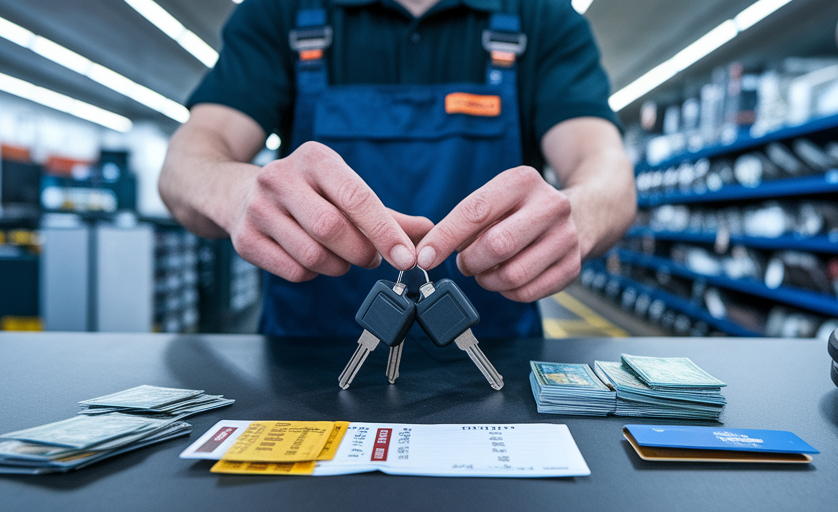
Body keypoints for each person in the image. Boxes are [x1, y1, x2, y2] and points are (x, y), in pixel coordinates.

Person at [159, 0, 634, 338]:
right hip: (302, 369)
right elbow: (185, 164)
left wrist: (580, 214)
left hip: (500, 364)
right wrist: (237, 192)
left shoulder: (543, 16)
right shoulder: (280, 11)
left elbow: (606, 167)